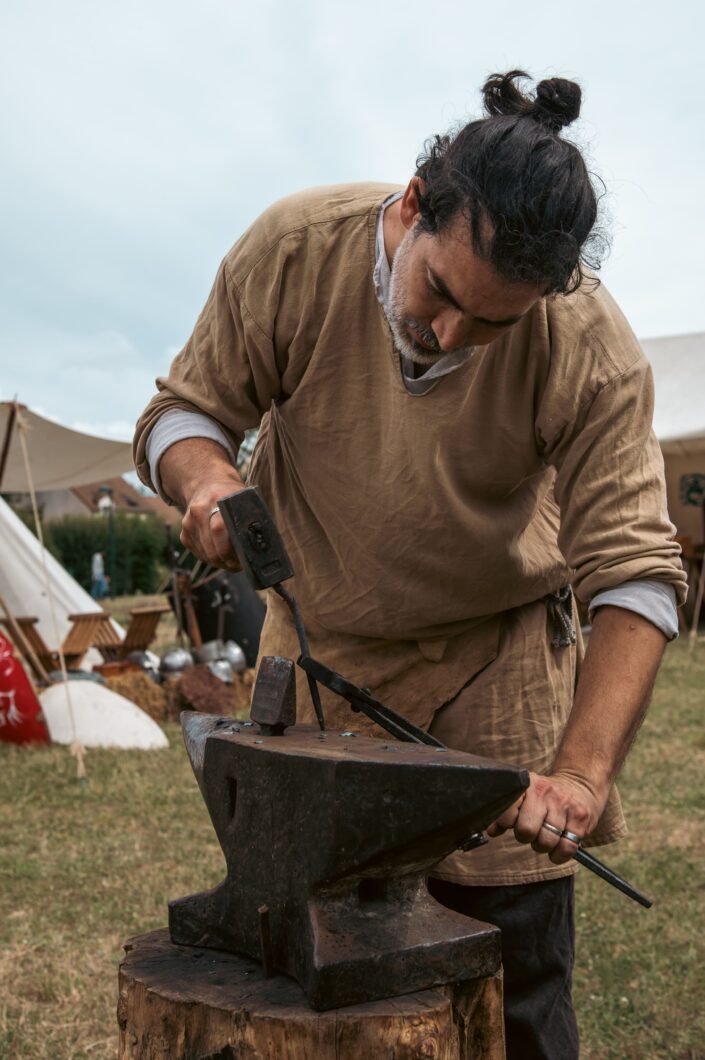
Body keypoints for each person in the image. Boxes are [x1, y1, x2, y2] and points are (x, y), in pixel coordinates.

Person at [134, 71, 686, 1058]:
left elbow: (635, 571)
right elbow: (184, 410)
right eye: (440, 293)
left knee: (513, 994)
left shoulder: (590, 346)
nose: (450, 336)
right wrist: (208, 481)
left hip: (497, 673)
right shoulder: (297, 250)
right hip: (320, 663)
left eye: (492, 324)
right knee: (317, 992)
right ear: (411, 203)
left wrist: (581, 771)